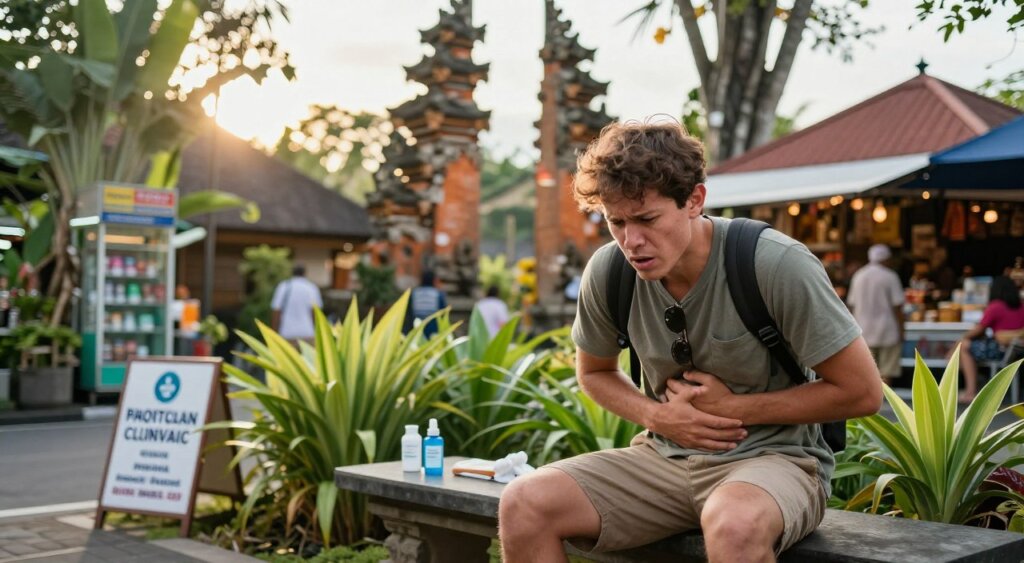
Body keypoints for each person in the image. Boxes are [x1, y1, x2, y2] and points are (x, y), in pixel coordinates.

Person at [497, 120, 882, 563]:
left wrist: (733, 409)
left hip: (777, 461)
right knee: (524, 502)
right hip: (664, 458)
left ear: (694, 200)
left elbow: (862, 391)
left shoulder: (775, 264)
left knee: (734, 523)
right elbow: (595, 372)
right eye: (615, 222)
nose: (631, 241)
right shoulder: (609, 271)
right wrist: (659, 418)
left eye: (646, 219)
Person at [953, 275, 1024, 403]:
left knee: (964, 346)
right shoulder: (1021, 306)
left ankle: (970, 391)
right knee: (966, 346)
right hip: (1017, 351)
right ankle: (977, 380)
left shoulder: (995, 306)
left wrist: (962, 338)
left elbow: (980, 329)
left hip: (1001, 351)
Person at [846, 244, 905, 386]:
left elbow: (851, 305)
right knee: (886, 371)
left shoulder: (859, 276)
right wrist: (902, 329)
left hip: (863, 330)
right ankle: (883, 402)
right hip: (887, 330)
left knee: (867, 370)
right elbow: (897, 306)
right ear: (886, 259)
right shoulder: (890, 276)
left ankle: (871, 403)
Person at [271, 264, 323, 346]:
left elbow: (276, 311)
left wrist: (273, 333)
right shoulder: (311, 288)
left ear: (292, 273)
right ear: (304, 273)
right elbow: (315, 312)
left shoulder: (284, 286)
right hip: (307, 333)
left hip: (287, 332)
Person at [406, 270, 447, 337]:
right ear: (433, 280)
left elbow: (410, 311)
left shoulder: (414, 293)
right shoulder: (438, 294)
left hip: (417, 322)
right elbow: (443, 311)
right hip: (433, 324)